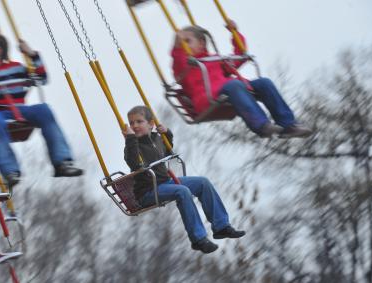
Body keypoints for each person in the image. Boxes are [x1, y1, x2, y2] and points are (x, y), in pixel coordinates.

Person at [0, 31, 83, 187]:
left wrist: (32, 55)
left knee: (44, 109)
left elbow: (41, 78)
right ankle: (10, 171)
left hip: (18, 111)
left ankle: (62, 162)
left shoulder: (16, 69)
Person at [123, 105, 245, 254]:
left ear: (151, 124)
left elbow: (168, 149)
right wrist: (130, 139)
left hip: (165, 183)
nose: (134, 126)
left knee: (203, 182)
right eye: (131, 123)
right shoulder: (132, 146)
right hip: (148, 191)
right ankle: (198, 239)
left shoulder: (156, 139)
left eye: (139, 121)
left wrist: (167, 133)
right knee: (182, 191)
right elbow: (134, 163)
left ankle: (221, 226)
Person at [171, 21, 313, 138]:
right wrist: (177, 47)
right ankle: (261, 125)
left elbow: (239, 57)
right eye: (183, 42)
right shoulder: (185, 65)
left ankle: (288, 124)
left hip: (232, 89)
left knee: (264, 83)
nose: (185, 45)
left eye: (188, 41)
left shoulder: (213, 59)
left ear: (202, 43)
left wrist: (235, 33)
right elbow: (178, 62)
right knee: (235, 85)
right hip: (207, 98)